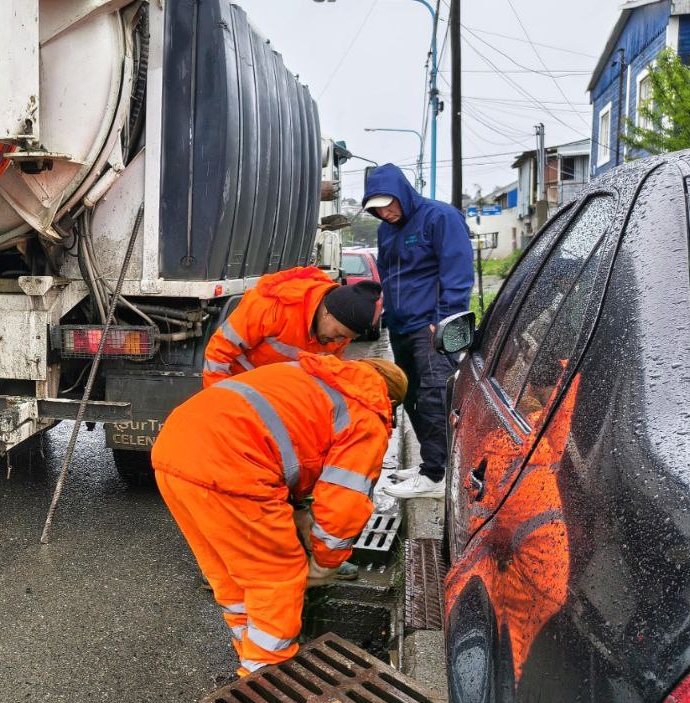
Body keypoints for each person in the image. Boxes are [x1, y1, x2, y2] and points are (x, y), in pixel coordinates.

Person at [152, 353, 407, 676]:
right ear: (392, 403)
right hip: (232, 465)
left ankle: (249, 652)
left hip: (174, 450)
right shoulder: (366, 412)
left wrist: (298, 511)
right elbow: (344, 504)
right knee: (277, 576)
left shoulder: (314, 375)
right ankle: (265, 674)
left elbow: (290, 442)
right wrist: (325, 562)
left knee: (230, 573)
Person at [361, 164, 474, 499]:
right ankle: (430, 463)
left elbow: (457, 271)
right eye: (377, 207)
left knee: (434, 397)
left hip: (431, 327)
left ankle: (437, 476)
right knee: (409, 396)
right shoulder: (385, 230)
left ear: (403, 193)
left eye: (389, 203)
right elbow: (389, 277)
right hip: (400, 327)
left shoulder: (439, 217)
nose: (385, 211)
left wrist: (444, 322)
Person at [202, 266, 382, 388]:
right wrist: (218, 398)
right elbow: (219, 352)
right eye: (338, 334)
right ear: (328, 312)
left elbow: (325, 376)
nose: (338, 342)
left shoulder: (339, 334)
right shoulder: (273, 306)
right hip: (238, 389)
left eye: (345, 339)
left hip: (277, 400)